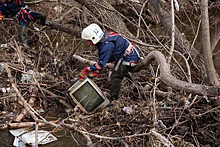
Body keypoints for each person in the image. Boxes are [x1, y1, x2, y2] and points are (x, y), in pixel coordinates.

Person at [79, 23, 141, 102]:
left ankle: (113, 99)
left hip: (129, 57)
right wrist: (96, 70)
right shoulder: (105, 38)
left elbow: (101, 64)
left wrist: (87, 69)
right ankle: (133, 85)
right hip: (126, 54)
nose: (88, 43)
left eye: (88, 41)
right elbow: (103, 59)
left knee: (115, 76)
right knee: (119, 70)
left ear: (93, 39)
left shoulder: (107, 45)